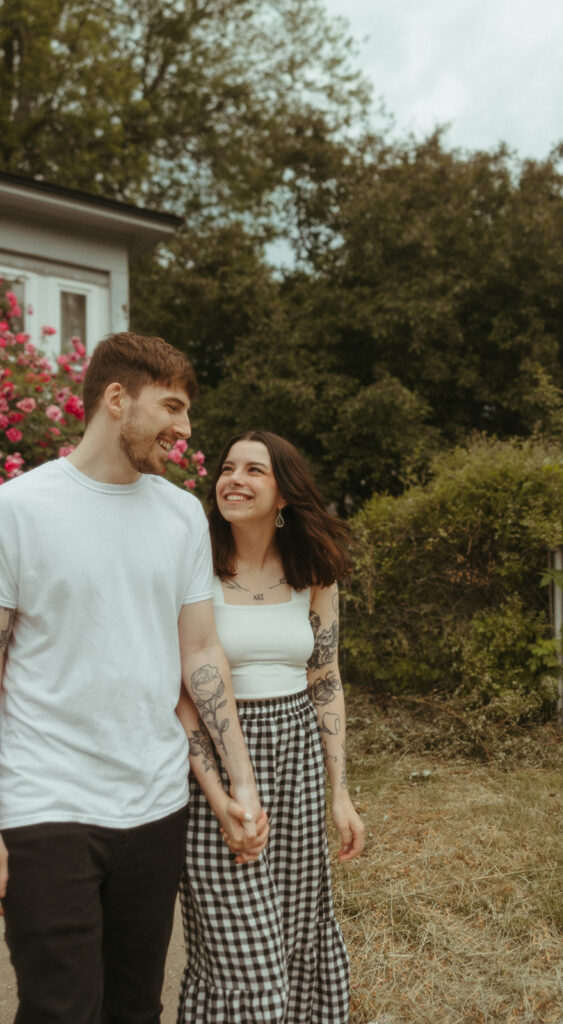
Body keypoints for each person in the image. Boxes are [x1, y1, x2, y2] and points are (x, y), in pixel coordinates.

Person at [0, 332, 266, 1024]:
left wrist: (239, 781)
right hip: (44, 803)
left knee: (133, 1009)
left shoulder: (178, 515)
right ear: (116, 399)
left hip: (153, 804)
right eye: (172, 407)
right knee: (61, 1008)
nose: (184, 430)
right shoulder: (18, 510)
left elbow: (201, 654)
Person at [176, 429, 365, 1023]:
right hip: (214, 769)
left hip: (299, 759)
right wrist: (222, 789)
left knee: (296, 935)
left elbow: (326, 677)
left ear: (283, 493)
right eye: (228, 467)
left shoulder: (314, 571)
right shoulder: (192, 567)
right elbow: (179, 694)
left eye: (254, 470)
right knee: (245, 960)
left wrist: (340, 794)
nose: (234, 479)